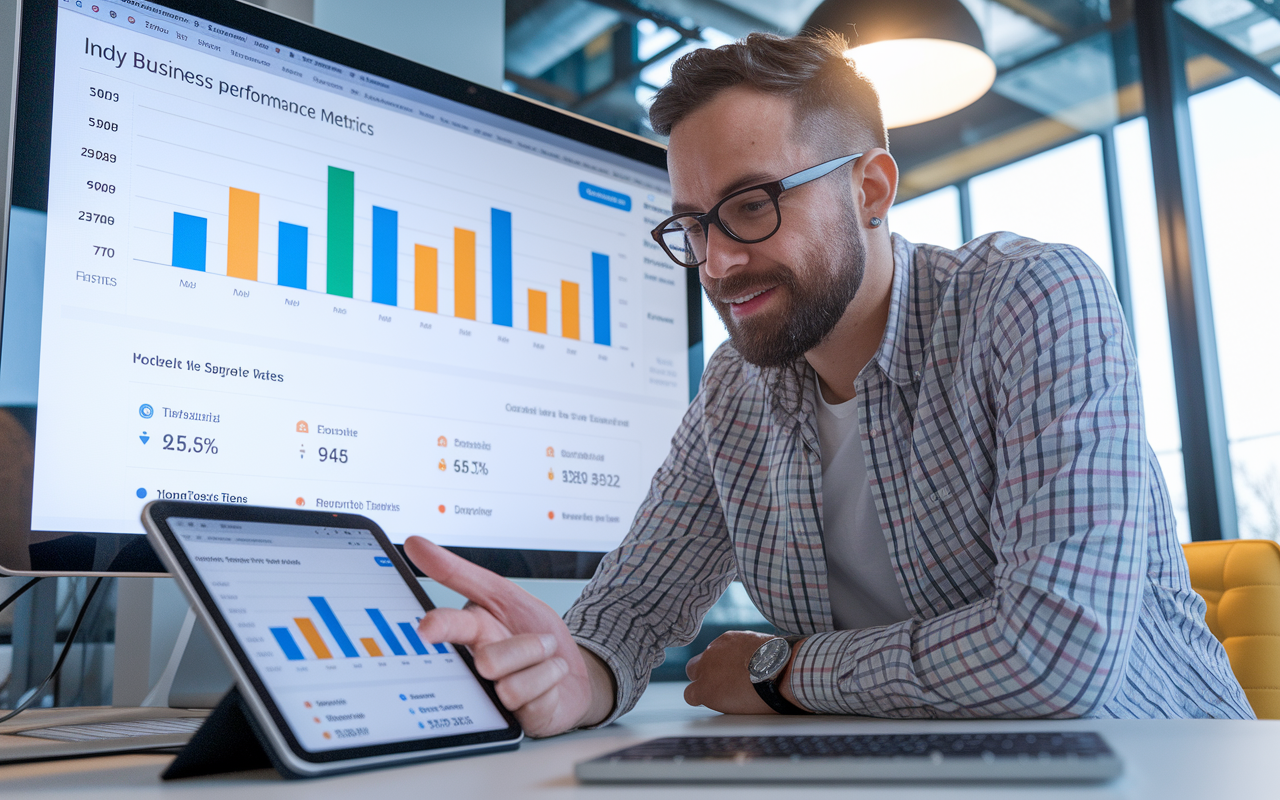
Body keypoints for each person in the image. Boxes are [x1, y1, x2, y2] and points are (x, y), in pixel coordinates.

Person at [406, 31, 1253, 737]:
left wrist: (781, 669)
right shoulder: (735, 393)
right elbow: (627, 616)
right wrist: (573, 675)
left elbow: (1055, 655)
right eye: (694, 226)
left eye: (751, 206)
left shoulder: (1032, 302)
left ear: (872, 188)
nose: (720, 262)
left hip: (1168, 763)